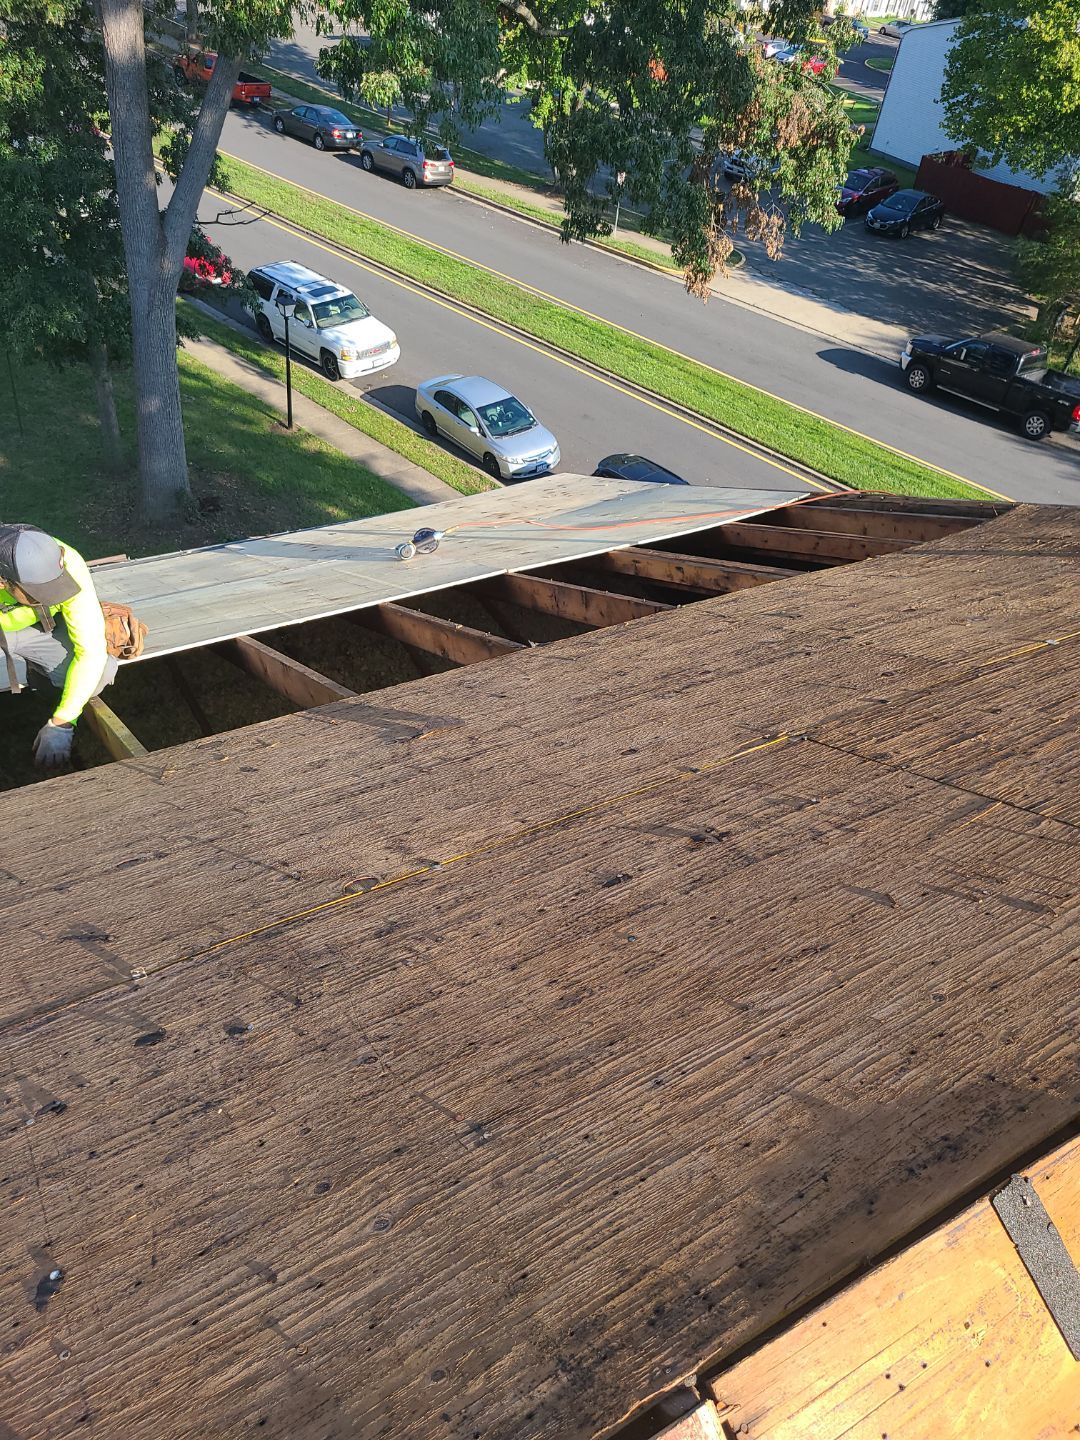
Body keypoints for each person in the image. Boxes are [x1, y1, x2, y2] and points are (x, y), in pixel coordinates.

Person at [0, 524, 116, 772]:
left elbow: (92, 652)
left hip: (38, 628)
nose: (53, 595)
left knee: (102, 670)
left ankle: (40, 678)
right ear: (2, 581)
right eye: (38, 592)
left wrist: (63, 721)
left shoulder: (68, 564)